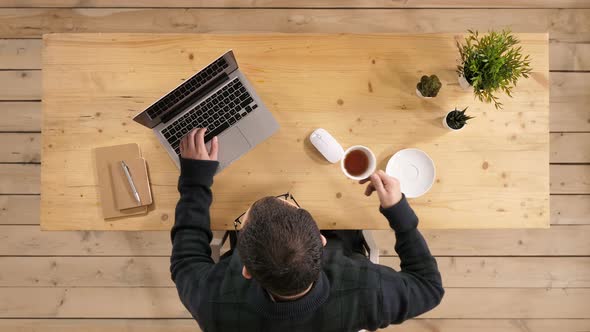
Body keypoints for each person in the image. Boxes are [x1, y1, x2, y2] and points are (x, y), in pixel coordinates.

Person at [171, 128, 444, 332]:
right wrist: (398, 210)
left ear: (247, 269)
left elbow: (186, 259)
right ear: (321, 240)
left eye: (246, 222)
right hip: (344, 233)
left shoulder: (213, 305)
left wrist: (195, 179)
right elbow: (429, 287)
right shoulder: (368, 292)